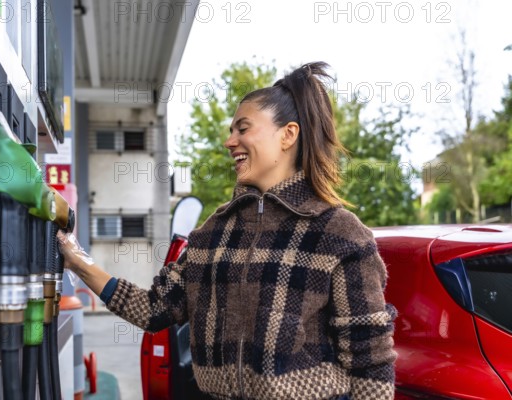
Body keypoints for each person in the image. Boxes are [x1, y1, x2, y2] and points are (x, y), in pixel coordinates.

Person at [58, 62, 397, 400]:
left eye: (242, 129)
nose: (229, 141)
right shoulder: (212, 234)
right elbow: (154, 309)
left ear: (288, 135)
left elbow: (371, 362)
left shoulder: (339, 234)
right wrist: (77, 261)